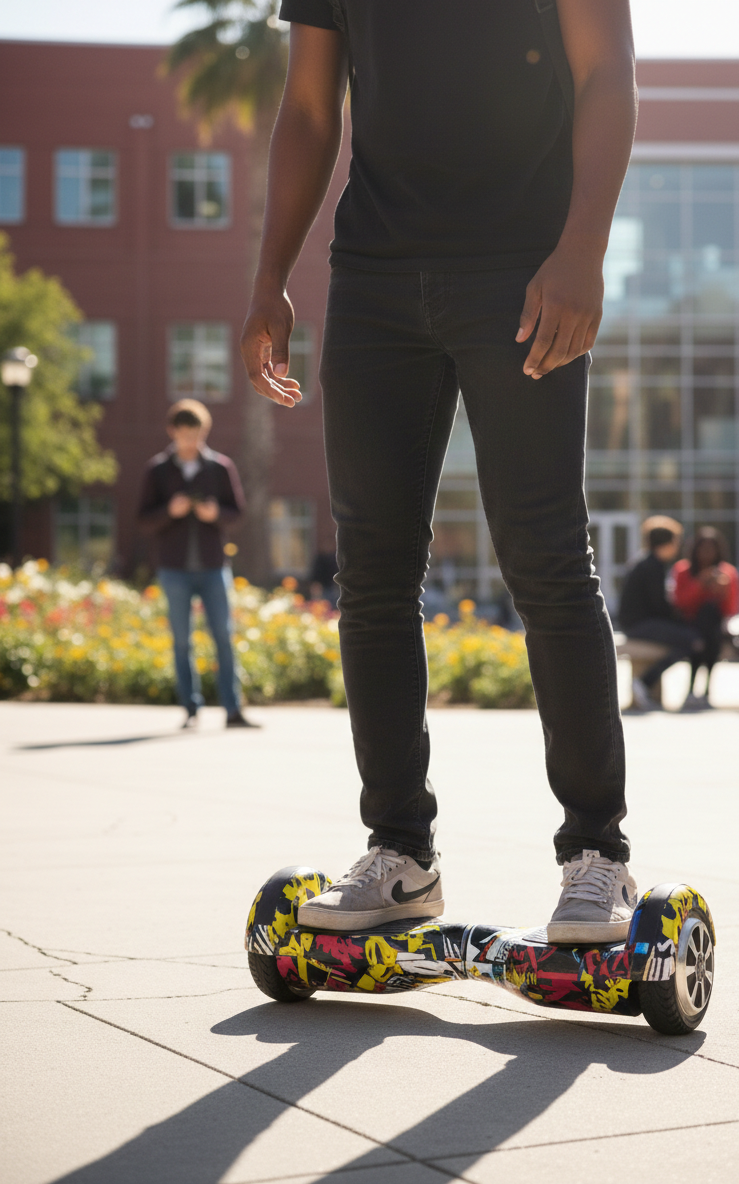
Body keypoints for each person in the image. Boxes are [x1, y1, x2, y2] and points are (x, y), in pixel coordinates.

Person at [240, 0, 640, 942]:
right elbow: (307, 107)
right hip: (375, 273)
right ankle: (401, 855)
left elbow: (606, 73)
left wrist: (582, 247)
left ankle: (597, 857)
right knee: (371, 577)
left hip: (523, 268)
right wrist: (270, 276)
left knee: (545, 559)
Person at [138, 400, 259, 730]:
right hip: (173, 569)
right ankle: (190, 709)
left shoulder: (220, 467)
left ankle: (232, 710)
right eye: (185, 434)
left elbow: (238, 513)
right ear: (172, 432)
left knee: (223, 635)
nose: (191, 441)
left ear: (205, 432)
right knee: (182, 640)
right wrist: (169, 512)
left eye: (197, 434)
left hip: (212, 567)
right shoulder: (158, 470)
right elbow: (143, 520)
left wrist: (215, 514)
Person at [618, 517, 701, 711]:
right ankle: (644, 682)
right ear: (668, 543)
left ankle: (644, 684)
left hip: (637, 623)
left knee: (688, 641)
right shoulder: (651, 566)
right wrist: (681, 620)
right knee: (692, 641)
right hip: (639, 626)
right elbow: (659, 606)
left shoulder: (645, 562)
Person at [672, 527, 739, 709]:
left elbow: (731, 608)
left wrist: (722, 590)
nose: (707, 554)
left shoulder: (728, 573)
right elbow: (681, 602)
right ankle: (695, 688)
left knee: (710, 631)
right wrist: (700, 583)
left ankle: (704, 689)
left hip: (715, 628)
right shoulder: (683, 570)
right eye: (703, 548)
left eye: (712, 549)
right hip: (690, 624)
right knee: (700, 636)